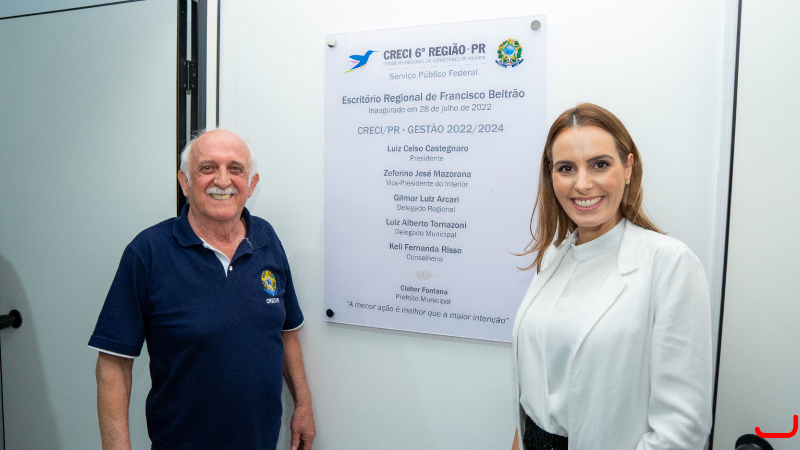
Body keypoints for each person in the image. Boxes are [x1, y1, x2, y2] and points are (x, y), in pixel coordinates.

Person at [89, 129, 316, 450]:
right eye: (207, 168)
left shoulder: (267, 239)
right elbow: (114, 363)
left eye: (235, 169)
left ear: (251, 184)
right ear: (185, 182)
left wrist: (303, 405)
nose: (222, 180)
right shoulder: (148, 252)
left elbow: (286, 330)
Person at [511, 104, 712, 450]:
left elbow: (682, 429)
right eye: (566, 168)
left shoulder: (669, 264)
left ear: (628, 168)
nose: (582, 184)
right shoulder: (553, 257)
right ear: (551, 176)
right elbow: (531, 398)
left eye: (600, 164)